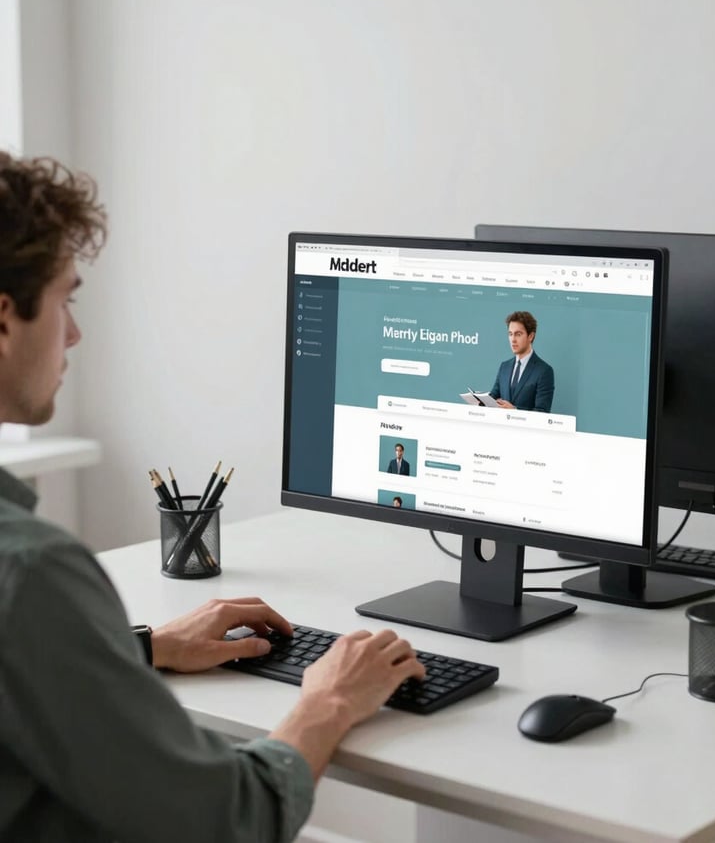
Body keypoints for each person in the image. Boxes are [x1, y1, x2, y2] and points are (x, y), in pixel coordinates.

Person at [0, 151, 425, 843]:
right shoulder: (31, 572)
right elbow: (230, 821)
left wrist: (142, 648)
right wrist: (331, 699)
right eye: (64, 300)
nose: (73, 333)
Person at [489, 311, 554, 412]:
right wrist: (480, 402)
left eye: (518, 334)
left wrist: (515, 410)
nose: (513, 339)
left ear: (530, 336)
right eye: (510, 334)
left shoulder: (544, 371)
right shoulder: (504, 367)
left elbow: (542, 412)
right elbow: (493, 397)